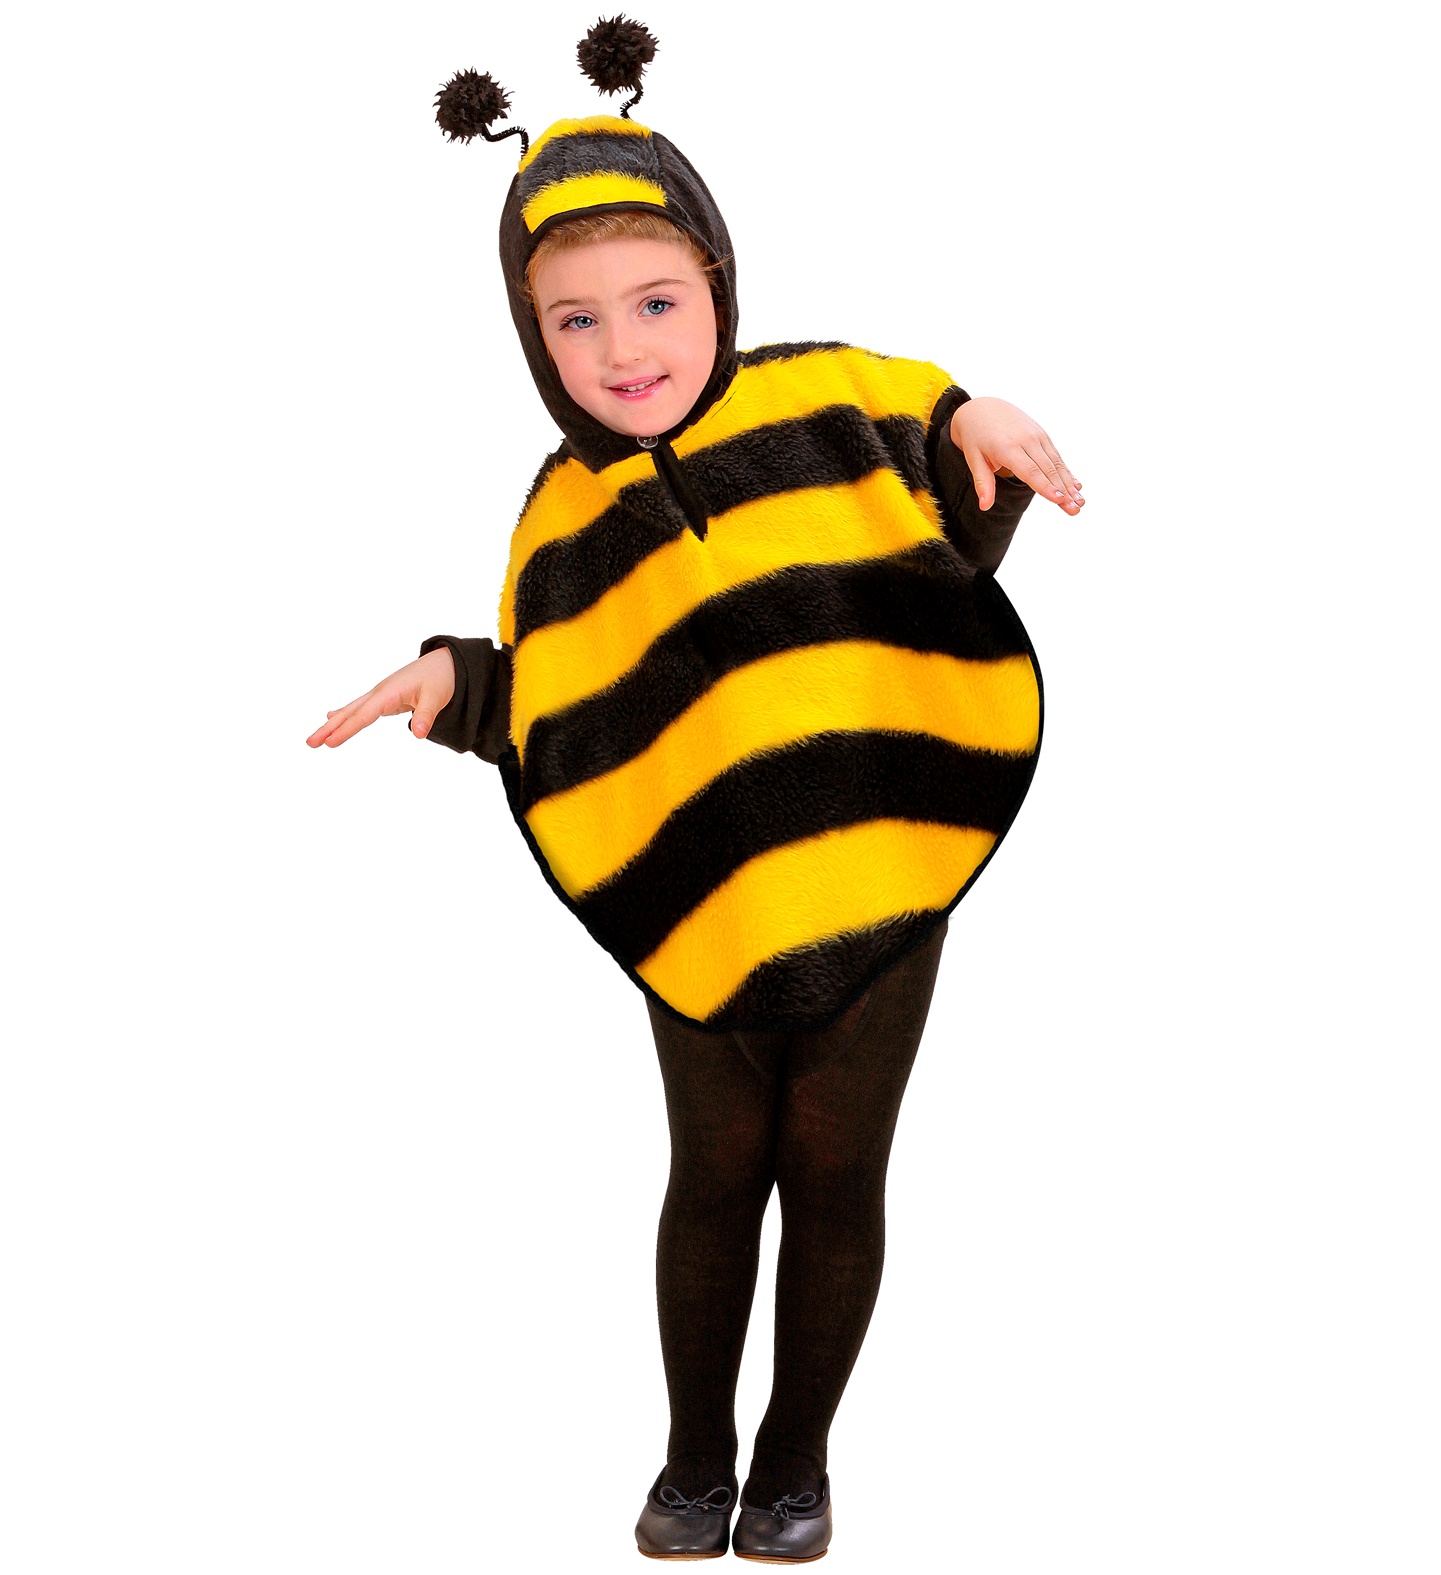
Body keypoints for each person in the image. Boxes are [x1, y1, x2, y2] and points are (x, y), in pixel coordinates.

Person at [307, 18, 1083, 1562]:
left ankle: (794, 1465)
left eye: (655, 302)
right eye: (576, 321)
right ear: (533, 336)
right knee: (715, 1174)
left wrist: (975, 419)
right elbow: (572, 690)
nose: (623, 349)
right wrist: (456, 681)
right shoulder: (559, 514)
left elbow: (932, 446)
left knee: (835, 1171)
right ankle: (691, 1459)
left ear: (716, 281)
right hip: (702, 894)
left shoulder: (822, 398)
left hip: (876, 862)